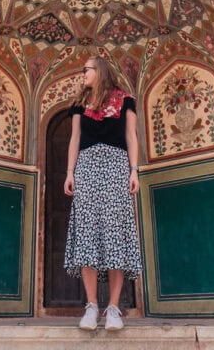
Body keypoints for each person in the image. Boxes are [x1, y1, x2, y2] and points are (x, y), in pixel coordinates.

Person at [64, 54, 143, 331]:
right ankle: (91, 306)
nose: (82, 74)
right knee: (86, 233)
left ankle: (112, 308)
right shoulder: (79, 104)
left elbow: (131, 136)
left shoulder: (125, 100)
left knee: (114, 234)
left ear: (99, 70)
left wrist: (134, 171)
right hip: (86, 167)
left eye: (85, 69)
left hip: (116, 167)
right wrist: (70, 173)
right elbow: (74, 139)